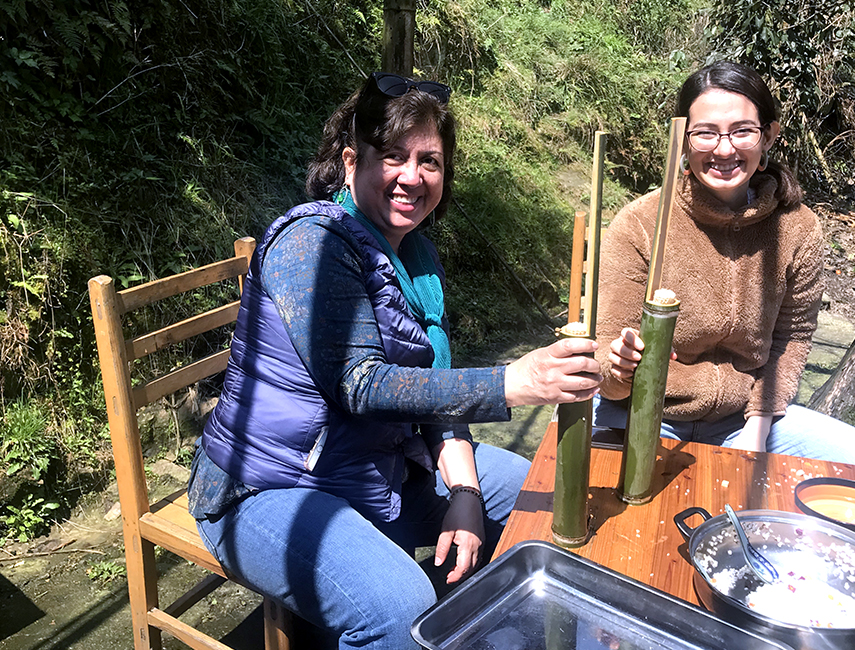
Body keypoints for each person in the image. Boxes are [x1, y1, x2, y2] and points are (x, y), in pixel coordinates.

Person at [186, 71, 601, 650]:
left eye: (429, 161)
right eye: (393, 156)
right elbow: (361, 385)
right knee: (399, 605)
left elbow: (434, 389)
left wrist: (465, 494)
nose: (412, 177)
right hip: (265, 487)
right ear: (352, 162)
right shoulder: (315, 243)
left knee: (549, 490)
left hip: (376, 467)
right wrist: (513, 382)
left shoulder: (418, 256)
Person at [594, 61, 855, 472]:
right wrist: (619, 366)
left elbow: (792, 337)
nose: (725, 149)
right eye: (705, 133)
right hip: (647, 412)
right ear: (682, 141)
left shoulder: (798, 228)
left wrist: (755, 434)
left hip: (743, 418)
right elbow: (606, 354)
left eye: (742, 131)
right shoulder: (639, 224)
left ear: (768, 135)